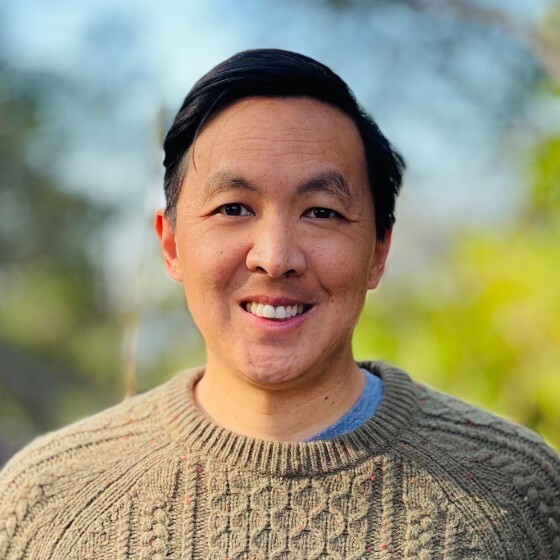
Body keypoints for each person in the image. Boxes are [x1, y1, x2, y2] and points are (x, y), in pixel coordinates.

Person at [0, 48, 559, 560]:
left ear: (378, 251)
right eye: (233, 208)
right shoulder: (45, 501)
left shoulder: (521, 495)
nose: (275, 258)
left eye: (321, 212)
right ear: (171, 245)